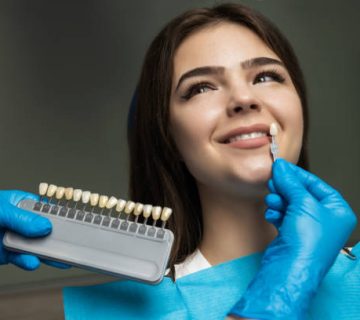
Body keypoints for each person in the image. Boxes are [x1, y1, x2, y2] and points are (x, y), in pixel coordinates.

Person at [0, 3, 359, 319]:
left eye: (266, 76)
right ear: (168, 136)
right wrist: (282, 292)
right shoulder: (124, 313)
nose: (244, 98)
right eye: (201, 87)